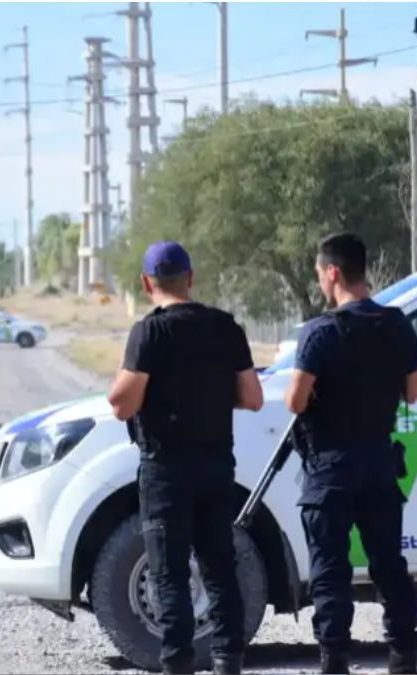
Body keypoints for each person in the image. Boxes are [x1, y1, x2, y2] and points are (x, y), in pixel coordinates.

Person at [106, 241, 265, 675]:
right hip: (216, 468)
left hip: (165, 471)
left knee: (169, 574)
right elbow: (253, 397)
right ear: (190, 278)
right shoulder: (226, 327)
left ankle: (177, 665)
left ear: (145, 283)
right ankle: (228, 661)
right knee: (219, 569)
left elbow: (121, 403)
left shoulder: (149, 332)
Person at [283, 233, 417, 675]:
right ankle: (402, 656)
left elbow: (294, 401)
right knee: (388, 565)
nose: (320, 282)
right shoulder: (397, 324)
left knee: (330, 570)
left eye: (320, 274)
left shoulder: (319, 333)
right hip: (379, 466)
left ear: (334, 272)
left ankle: (335, 660)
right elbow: (412, 394)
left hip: (329, 471)